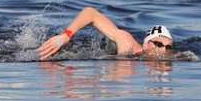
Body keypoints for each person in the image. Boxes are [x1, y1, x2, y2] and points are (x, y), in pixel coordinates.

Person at [37, 7, 174, 61]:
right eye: (158, 44)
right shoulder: (126, 41)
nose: (163, 50)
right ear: (146, 43)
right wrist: (66, 35)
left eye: (168, 47)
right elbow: (90, 13)